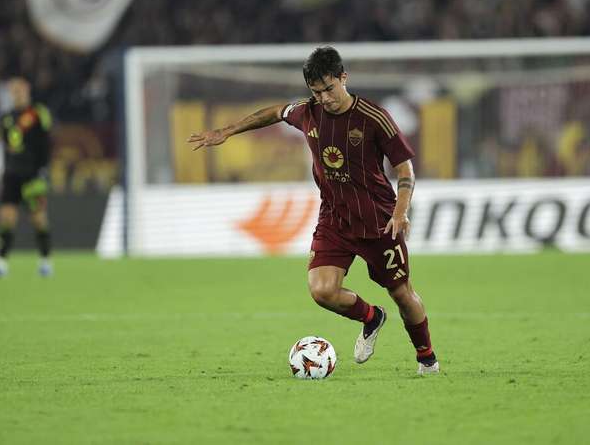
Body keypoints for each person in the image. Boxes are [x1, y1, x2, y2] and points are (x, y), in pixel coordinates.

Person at [188, 47, 439, 374]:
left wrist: (400, 213)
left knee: (402, 293)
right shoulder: (307, 112)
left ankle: (427, 357)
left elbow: (406, 170)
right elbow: (275, 112)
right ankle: (371, 317)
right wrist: (227, 131)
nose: (325, 98)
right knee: (322, 290)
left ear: (343, 78)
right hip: (334, 220)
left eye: (329, 89)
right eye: (316, 92)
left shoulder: (374, 118)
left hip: (379, 222)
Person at [0, 77, 53, 278]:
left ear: (27, 90)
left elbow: (47, 143)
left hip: (33, 175)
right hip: (11, 175)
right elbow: (5, 147)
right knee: (6, 218)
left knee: (38, 219)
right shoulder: (6, 118)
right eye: (13, 90)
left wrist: (43, 170)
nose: (16, 93)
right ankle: (1, 263)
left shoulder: (38, 113)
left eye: (19, 89)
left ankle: (45, 261)